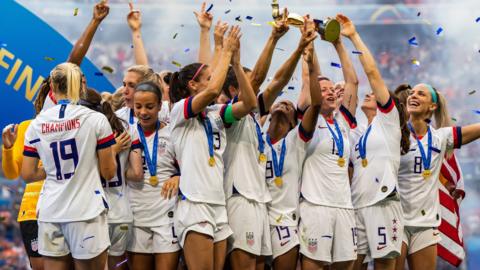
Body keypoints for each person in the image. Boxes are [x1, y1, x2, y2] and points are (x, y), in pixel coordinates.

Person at [1, 2, 110, 269]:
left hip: (52, 207)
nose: (83, 83)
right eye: (80, 81)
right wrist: (94, 22)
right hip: (65, 207)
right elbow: (72, 61)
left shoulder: (50, 121)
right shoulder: (66, 114)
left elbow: (26, 174)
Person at [169, 26, 254, 270]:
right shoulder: (179, 111)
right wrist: (225, 51)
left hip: (218, 204)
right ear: (193, 86)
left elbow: (248, 104)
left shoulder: (216, 113)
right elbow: (215, 90)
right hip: (195, 204)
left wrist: (237, 66)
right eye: (207, 78)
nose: (214, 81)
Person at [21, 62, 117, 270]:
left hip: (49, 212)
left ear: (52, 88)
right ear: (80, 87)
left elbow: (27, 174)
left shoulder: (36, 124)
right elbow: (109, 172)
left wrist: (52, 169)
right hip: (86, 212)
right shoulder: (96, 119)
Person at [338, 14, 409, 270]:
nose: (370, 93)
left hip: (382, 204)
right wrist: (337, 45)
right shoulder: (357, 132)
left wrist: (353, 36)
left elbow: (371, 73)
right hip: (356, 206)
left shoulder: (388, 122)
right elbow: (352, 84)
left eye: (375, 93)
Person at [392, 81, 480, 270]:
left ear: (432, 106)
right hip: (395, 220)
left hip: (425, 223)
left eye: (421, 94)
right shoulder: (394, 133)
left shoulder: (441, 137)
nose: (413, 96)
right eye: (412, 93)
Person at [298, 14, 359, 270]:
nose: (331, 91)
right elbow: (310, 83)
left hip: (344, 206)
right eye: (324, 90)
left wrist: (338, 43)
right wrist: (308, 44)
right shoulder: (309, 121)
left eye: (333, 89)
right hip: (316, 206)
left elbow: (353, 82)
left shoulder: (343, 121)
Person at [264, 22, 320, 269]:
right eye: (280, 102)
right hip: (254, 215)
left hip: (285, 220)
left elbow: (315, 104)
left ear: (295, 122)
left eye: (289, 105)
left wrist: (310, 62)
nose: (284, 104)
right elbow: (272, 83)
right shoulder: (252, 133)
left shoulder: (297, 141)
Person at [80, 88, 144, 270]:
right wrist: (120, 167)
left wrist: (109, 155)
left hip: (95, 213)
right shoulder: (129, 129)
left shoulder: (86, 131)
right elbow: (137, 173)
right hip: (122, 213)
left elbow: (86, 173)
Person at [126, 81, 181, 270]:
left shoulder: (173, 134)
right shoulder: (127, 134)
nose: (143, 112)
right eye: (138, 106)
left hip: (167, 215)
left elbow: (190, 168)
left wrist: (178, 177)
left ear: (160, 106)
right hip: (136, 216)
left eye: (149, 107)